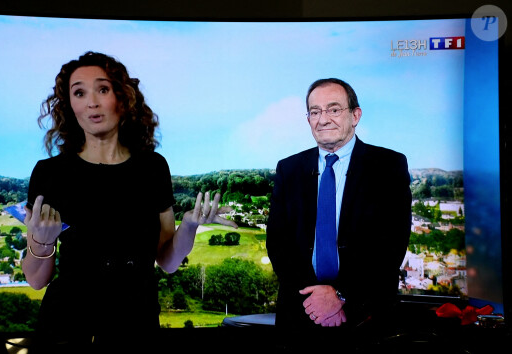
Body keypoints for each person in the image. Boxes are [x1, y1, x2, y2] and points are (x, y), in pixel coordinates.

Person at [21, 51, 237, 350]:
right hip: (67, 324)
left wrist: (188, 227)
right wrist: (43, 243)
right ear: (70, 106)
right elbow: (35, 279)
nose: (92, 102)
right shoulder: (50, 173)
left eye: (103, 89)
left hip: (136, 322)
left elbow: (168, 261)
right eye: (79, 92)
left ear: (122, 99)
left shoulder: (153, 168)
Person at [266, 78, 412, 347]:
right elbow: (278, 244)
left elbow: (391, 246)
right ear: (308, 119)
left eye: (334, 109)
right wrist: (316, 300)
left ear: (355, 115)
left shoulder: (388, 166)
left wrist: (341, 295)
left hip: (364, 318)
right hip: (300, 317)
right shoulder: (289, 169)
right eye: (315, 111)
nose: (323, 119)